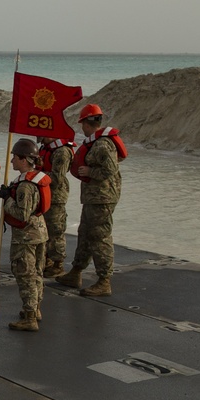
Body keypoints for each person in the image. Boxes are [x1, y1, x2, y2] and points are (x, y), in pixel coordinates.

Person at [56, 103, 127, 297]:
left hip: (102, 198)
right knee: (85, 233)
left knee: (100, 237)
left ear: (87, 123)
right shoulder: (96, 142)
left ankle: (104, 281)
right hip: (93, 197)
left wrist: (90, 171)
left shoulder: (103, 143)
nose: (81, 128)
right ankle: (76, 272)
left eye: (82, 124)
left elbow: (110, 169)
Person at [1, 138, 50, 331]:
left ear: (23, 159)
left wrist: (7, 200)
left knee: (25, 274)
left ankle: (30, 316)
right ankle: (35, 308)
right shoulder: (36, 178)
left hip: (26, 236)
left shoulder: (25, 186)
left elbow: (22, 213)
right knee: (37, 273)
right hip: (39, 232)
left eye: (14, 157)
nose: (12, 161)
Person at [38, 133, 73, 277]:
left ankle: (58, 264)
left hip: (56, 196)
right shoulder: (46, 147)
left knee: (56, 230)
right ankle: (47, 260)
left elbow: (57, 177)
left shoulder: (62, 151)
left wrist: (36, 175)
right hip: (44, 194)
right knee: (45, 229)